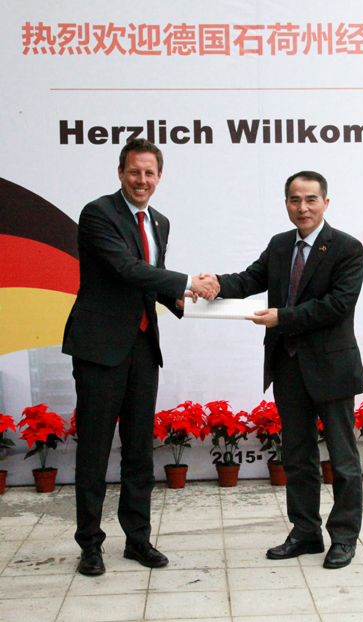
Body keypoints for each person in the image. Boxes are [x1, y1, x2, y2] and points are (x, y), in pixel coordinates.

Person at [62, 138, 219, 576]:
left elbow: (150, 281)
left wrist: (187, 300)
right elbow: (126, 268)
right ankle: (90, 545)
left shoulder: (160, 222)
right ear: (120, 173)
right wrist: (187, 282)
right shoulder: (98, 214)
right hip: (100, 348)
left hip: (143, 347)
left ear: (159, 177)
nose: (142, 180)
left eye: (150, 173)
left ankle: (138, 539)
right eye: (134, 171)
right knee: (94, 450)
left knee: (138, 450)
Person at [210, 171, 363, 569]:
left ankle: (344, 538)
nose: (303, 207)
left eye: (311, 199)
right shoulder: (280, 245)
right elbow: (249, 279)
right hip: (288, 365)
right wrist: (214, 284)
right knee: (297, 457)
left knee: (343, 460)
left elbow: (337, 305)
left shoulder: (347, 248)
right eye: (295, 200)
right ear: (286, 204)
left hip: (331, 368)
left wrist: (283, 317)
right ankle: (305, 532)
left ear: (325, 203)